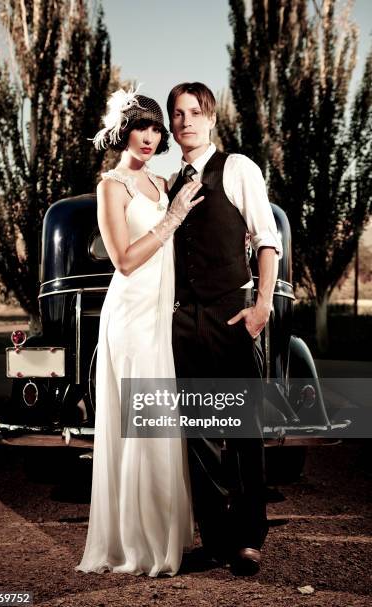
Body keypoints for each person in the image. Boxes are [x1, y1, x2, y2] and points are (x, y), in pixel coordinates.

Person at [75, 87, 203, 577]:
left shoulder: (158, 179)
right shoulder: (112, 186)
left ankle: (164, 541)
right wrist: (172, 218)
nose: (149, 137)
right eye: (139, 127)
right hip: (130, 318)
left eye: (155, 128)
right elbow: (125, 260)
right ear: (122, 131)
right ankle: (136, 546)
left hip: (159, 316)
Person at [167, 82, 283, 575]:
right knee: (199, 435)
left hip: (234, 315)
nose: (185, 121)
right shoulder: (172, 181)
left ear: (211, 119)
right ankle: (214, 539)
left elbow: (267, 240)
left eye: (194, 112)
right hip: (187, 320)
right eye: (177, 114)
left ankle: (249, 538)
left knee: (243, 432)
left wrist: (261, 306)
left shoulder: (238, 169)